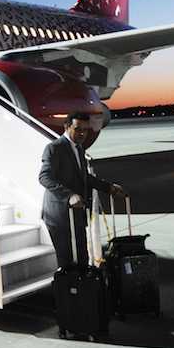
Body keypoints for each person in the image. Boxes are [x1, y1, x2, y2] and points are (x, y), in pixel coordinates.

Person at [39, 113, 126, 270]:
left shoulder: (78, 148)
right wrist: (69, 196)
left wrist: (109, 188)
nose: (82, 134)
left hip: (76, 213)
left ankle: (84, 291)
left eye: (85, 130)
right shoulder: (54, 148)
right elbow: (44, 177)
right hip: (59, 215)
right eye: (78, 129)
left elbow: (84, 177)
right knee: (67, 261)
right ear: (67, 127)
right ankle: (69, 292)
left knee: (82, 257)